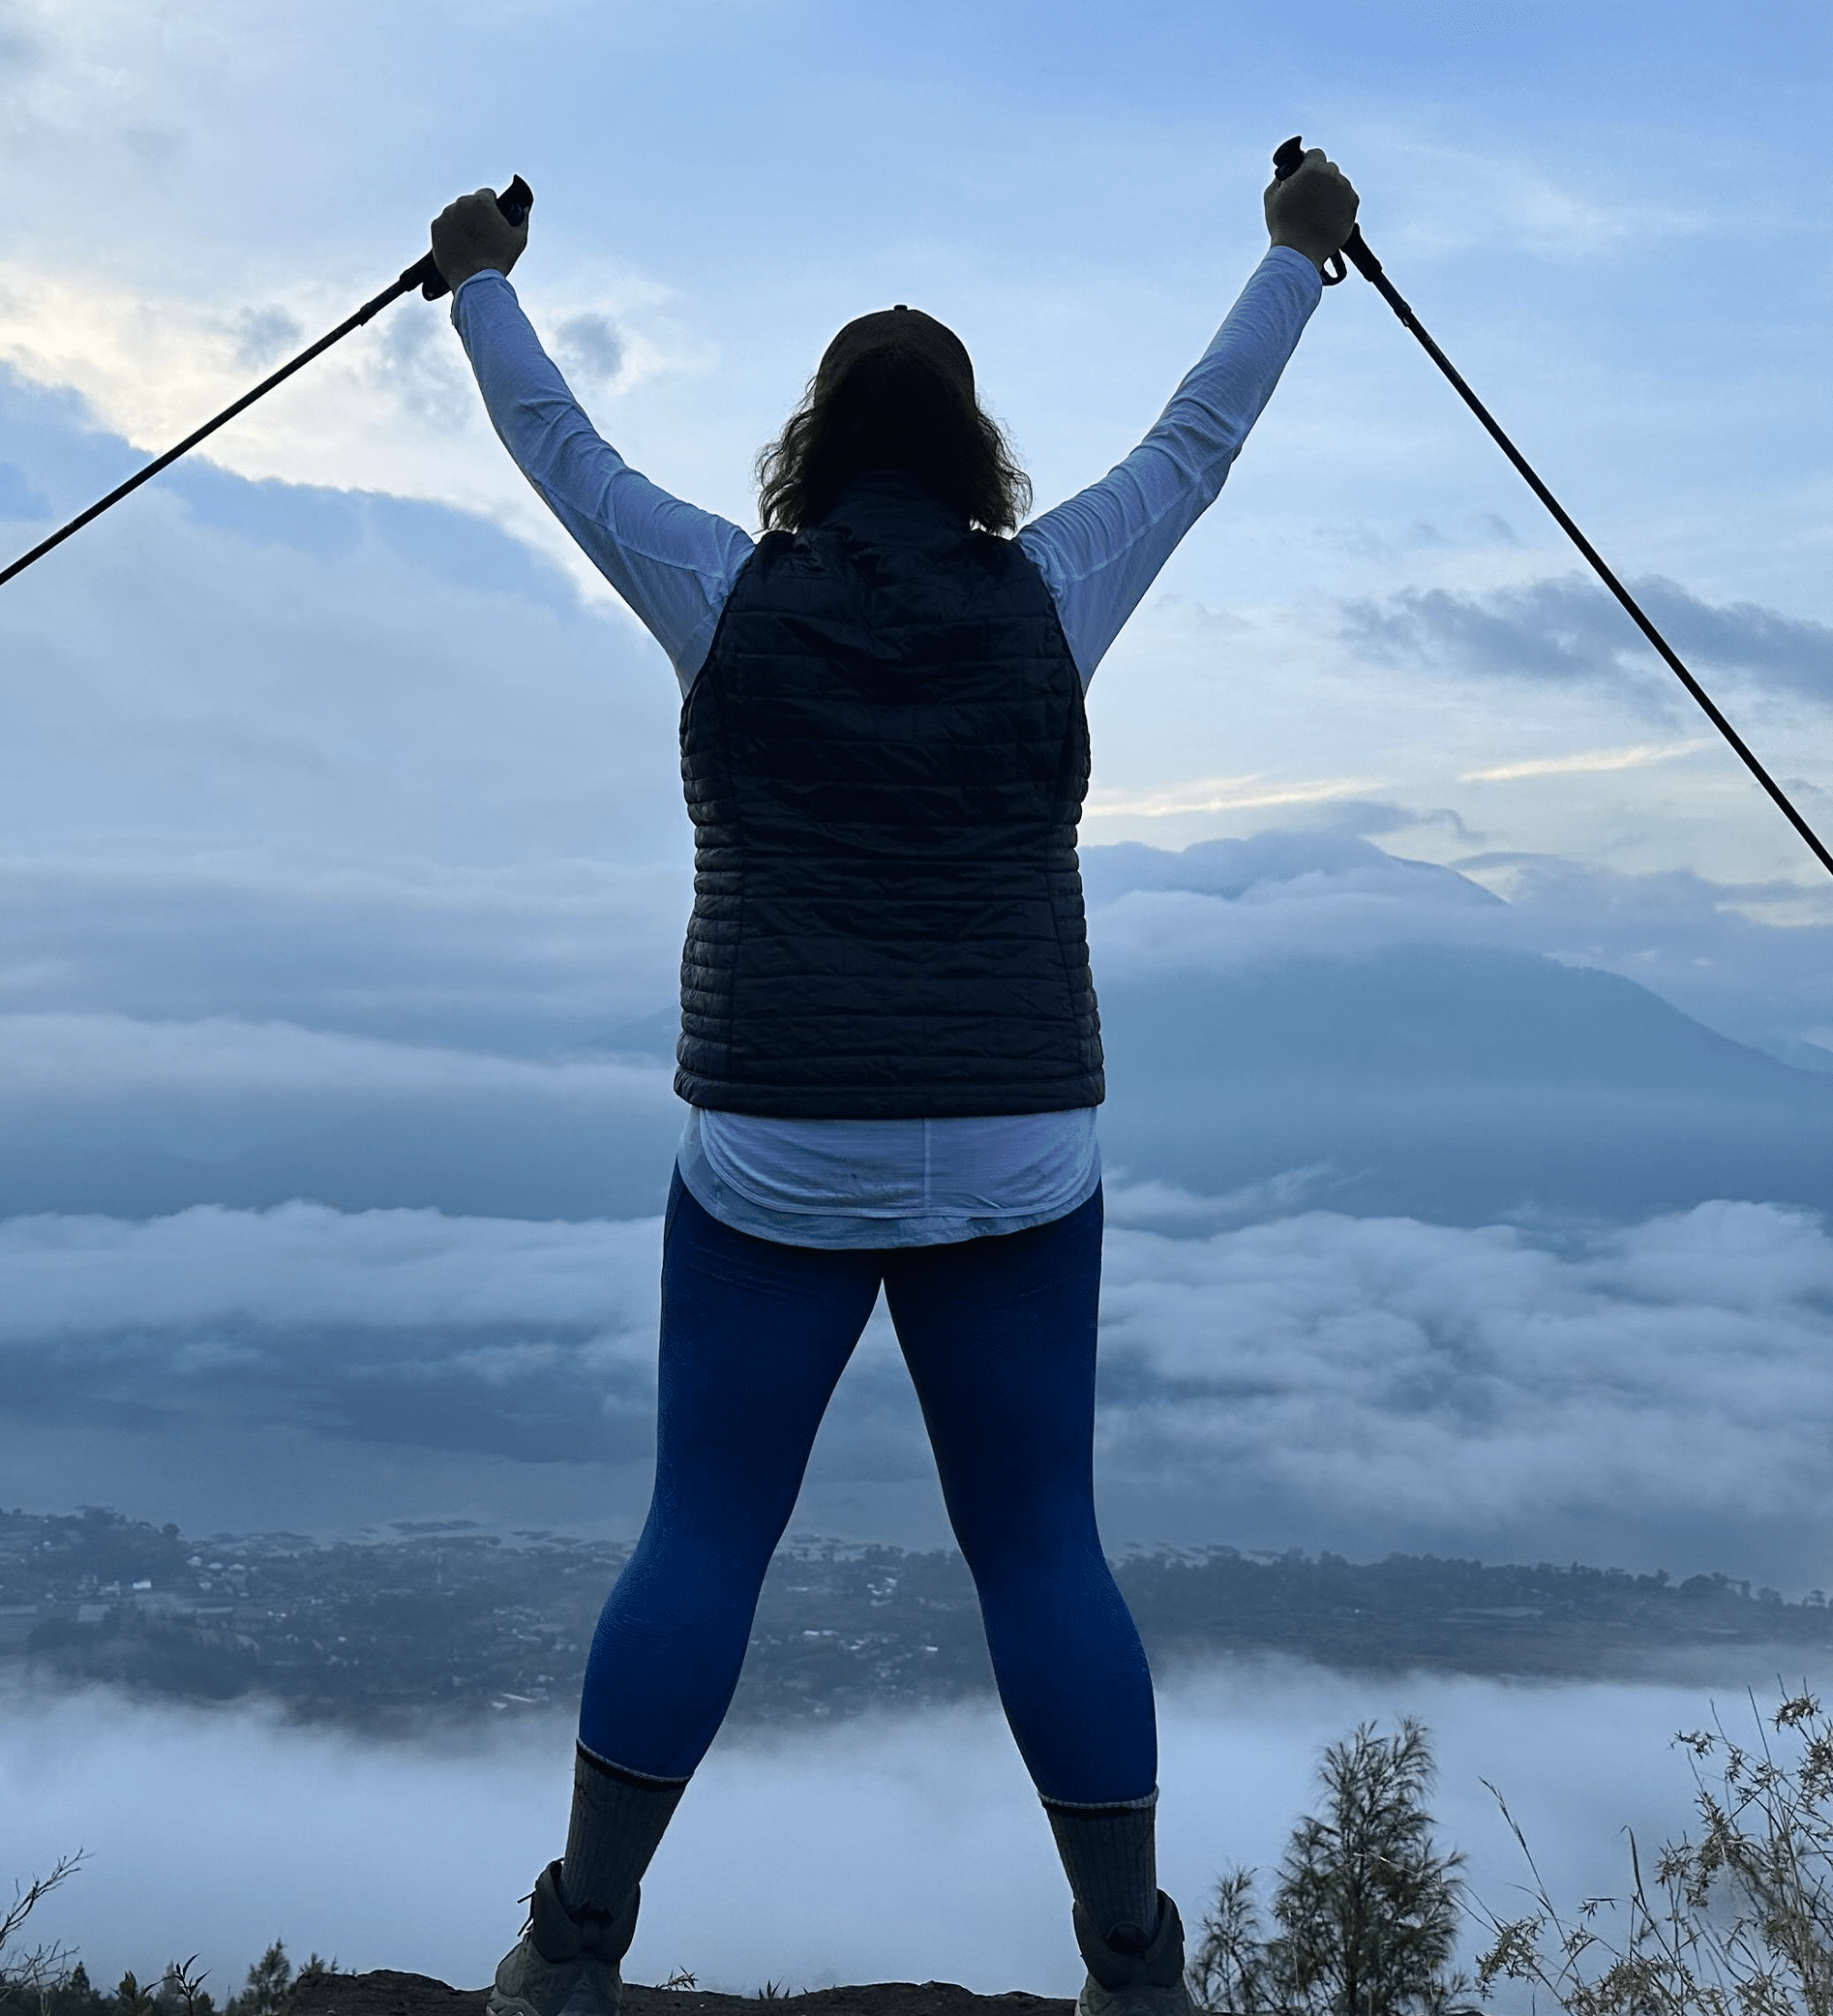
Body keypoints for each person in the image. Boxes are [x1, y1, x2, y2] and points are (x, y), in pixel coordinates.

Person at [424, 147, 1359, 2016]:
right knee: (1042, 1555)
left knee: (703, 1536)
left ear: (816, 450)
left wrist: (479, 284)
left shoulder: (724, 590)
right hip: (1020, 1133)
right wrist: (1297, 262)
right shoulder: (1056, 589)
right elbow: (1199, 441)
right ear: (972, 458)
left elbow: (561, 450)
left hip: (775, 1139)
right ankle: (1131, 1968)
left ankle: (574, 1955)